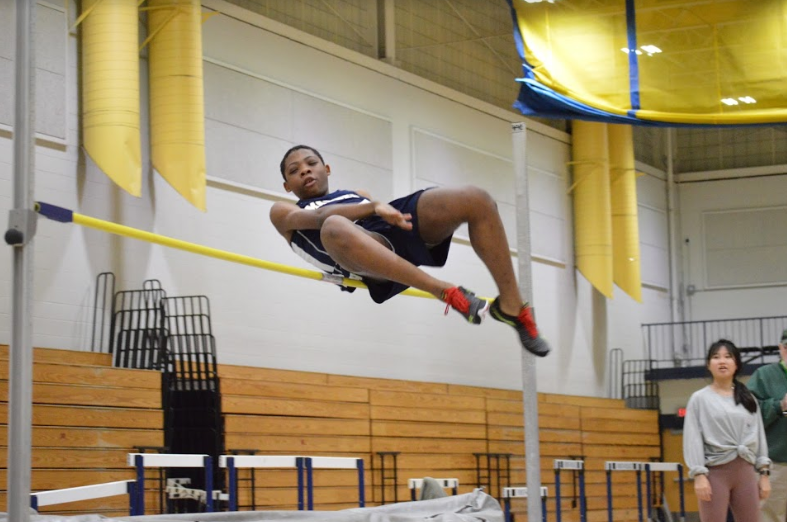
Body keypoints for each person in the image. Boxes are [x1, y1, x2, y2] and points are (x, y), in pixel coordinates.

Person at [269, 144, 550, 357]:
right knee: (333, 226)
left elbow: (368, 213)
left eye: (311, 163)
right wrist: (372, 206)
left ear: (326, 169)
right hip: (370, 251)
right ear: (286, 186)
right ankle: (445, 291)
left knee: (476, 199)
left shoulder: (358, 194)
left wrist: (374, 206)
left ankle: (512, 306)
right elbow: (321, 220)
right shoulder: (283, 211)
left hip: (388, 226)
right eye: (294, 171)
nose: (305, 170)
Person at [683, 339, 771, 522]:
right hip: (715, 472)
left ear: (736, 363)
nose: (722, 361)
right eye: (716, 357)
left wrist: (763, 474)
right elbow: (693, 439)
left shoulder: (748, 397)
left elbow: (759, 437)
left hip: (746, 472)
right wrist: (699, 474)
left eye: (727, 357)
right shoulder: (699, 399)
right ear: (708, 365)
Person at [747, 329, 787, 522]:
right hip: (776, 463)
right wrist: (779, 406)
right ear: (780, 348)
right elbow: (748, 417)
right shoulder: (763, 376)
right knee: (771, 516)